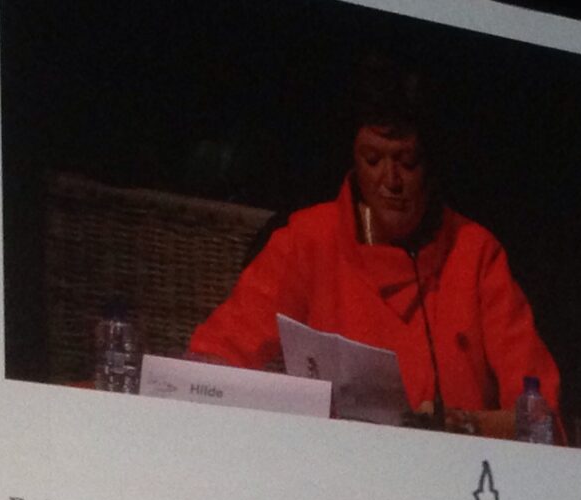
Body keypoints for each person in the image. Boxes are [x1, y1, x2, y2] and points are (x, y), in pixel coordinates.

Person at [189, 57, 561, 439]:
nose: (391, 180)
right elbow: (210, 360)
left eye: (407, 162)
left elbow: (543, 420)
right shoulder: (308, 239)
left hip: (454, 469)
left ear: (432, 166)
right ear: (353, 161)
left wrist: (463, 423)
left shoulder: (476, 253)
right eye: (373, 160)